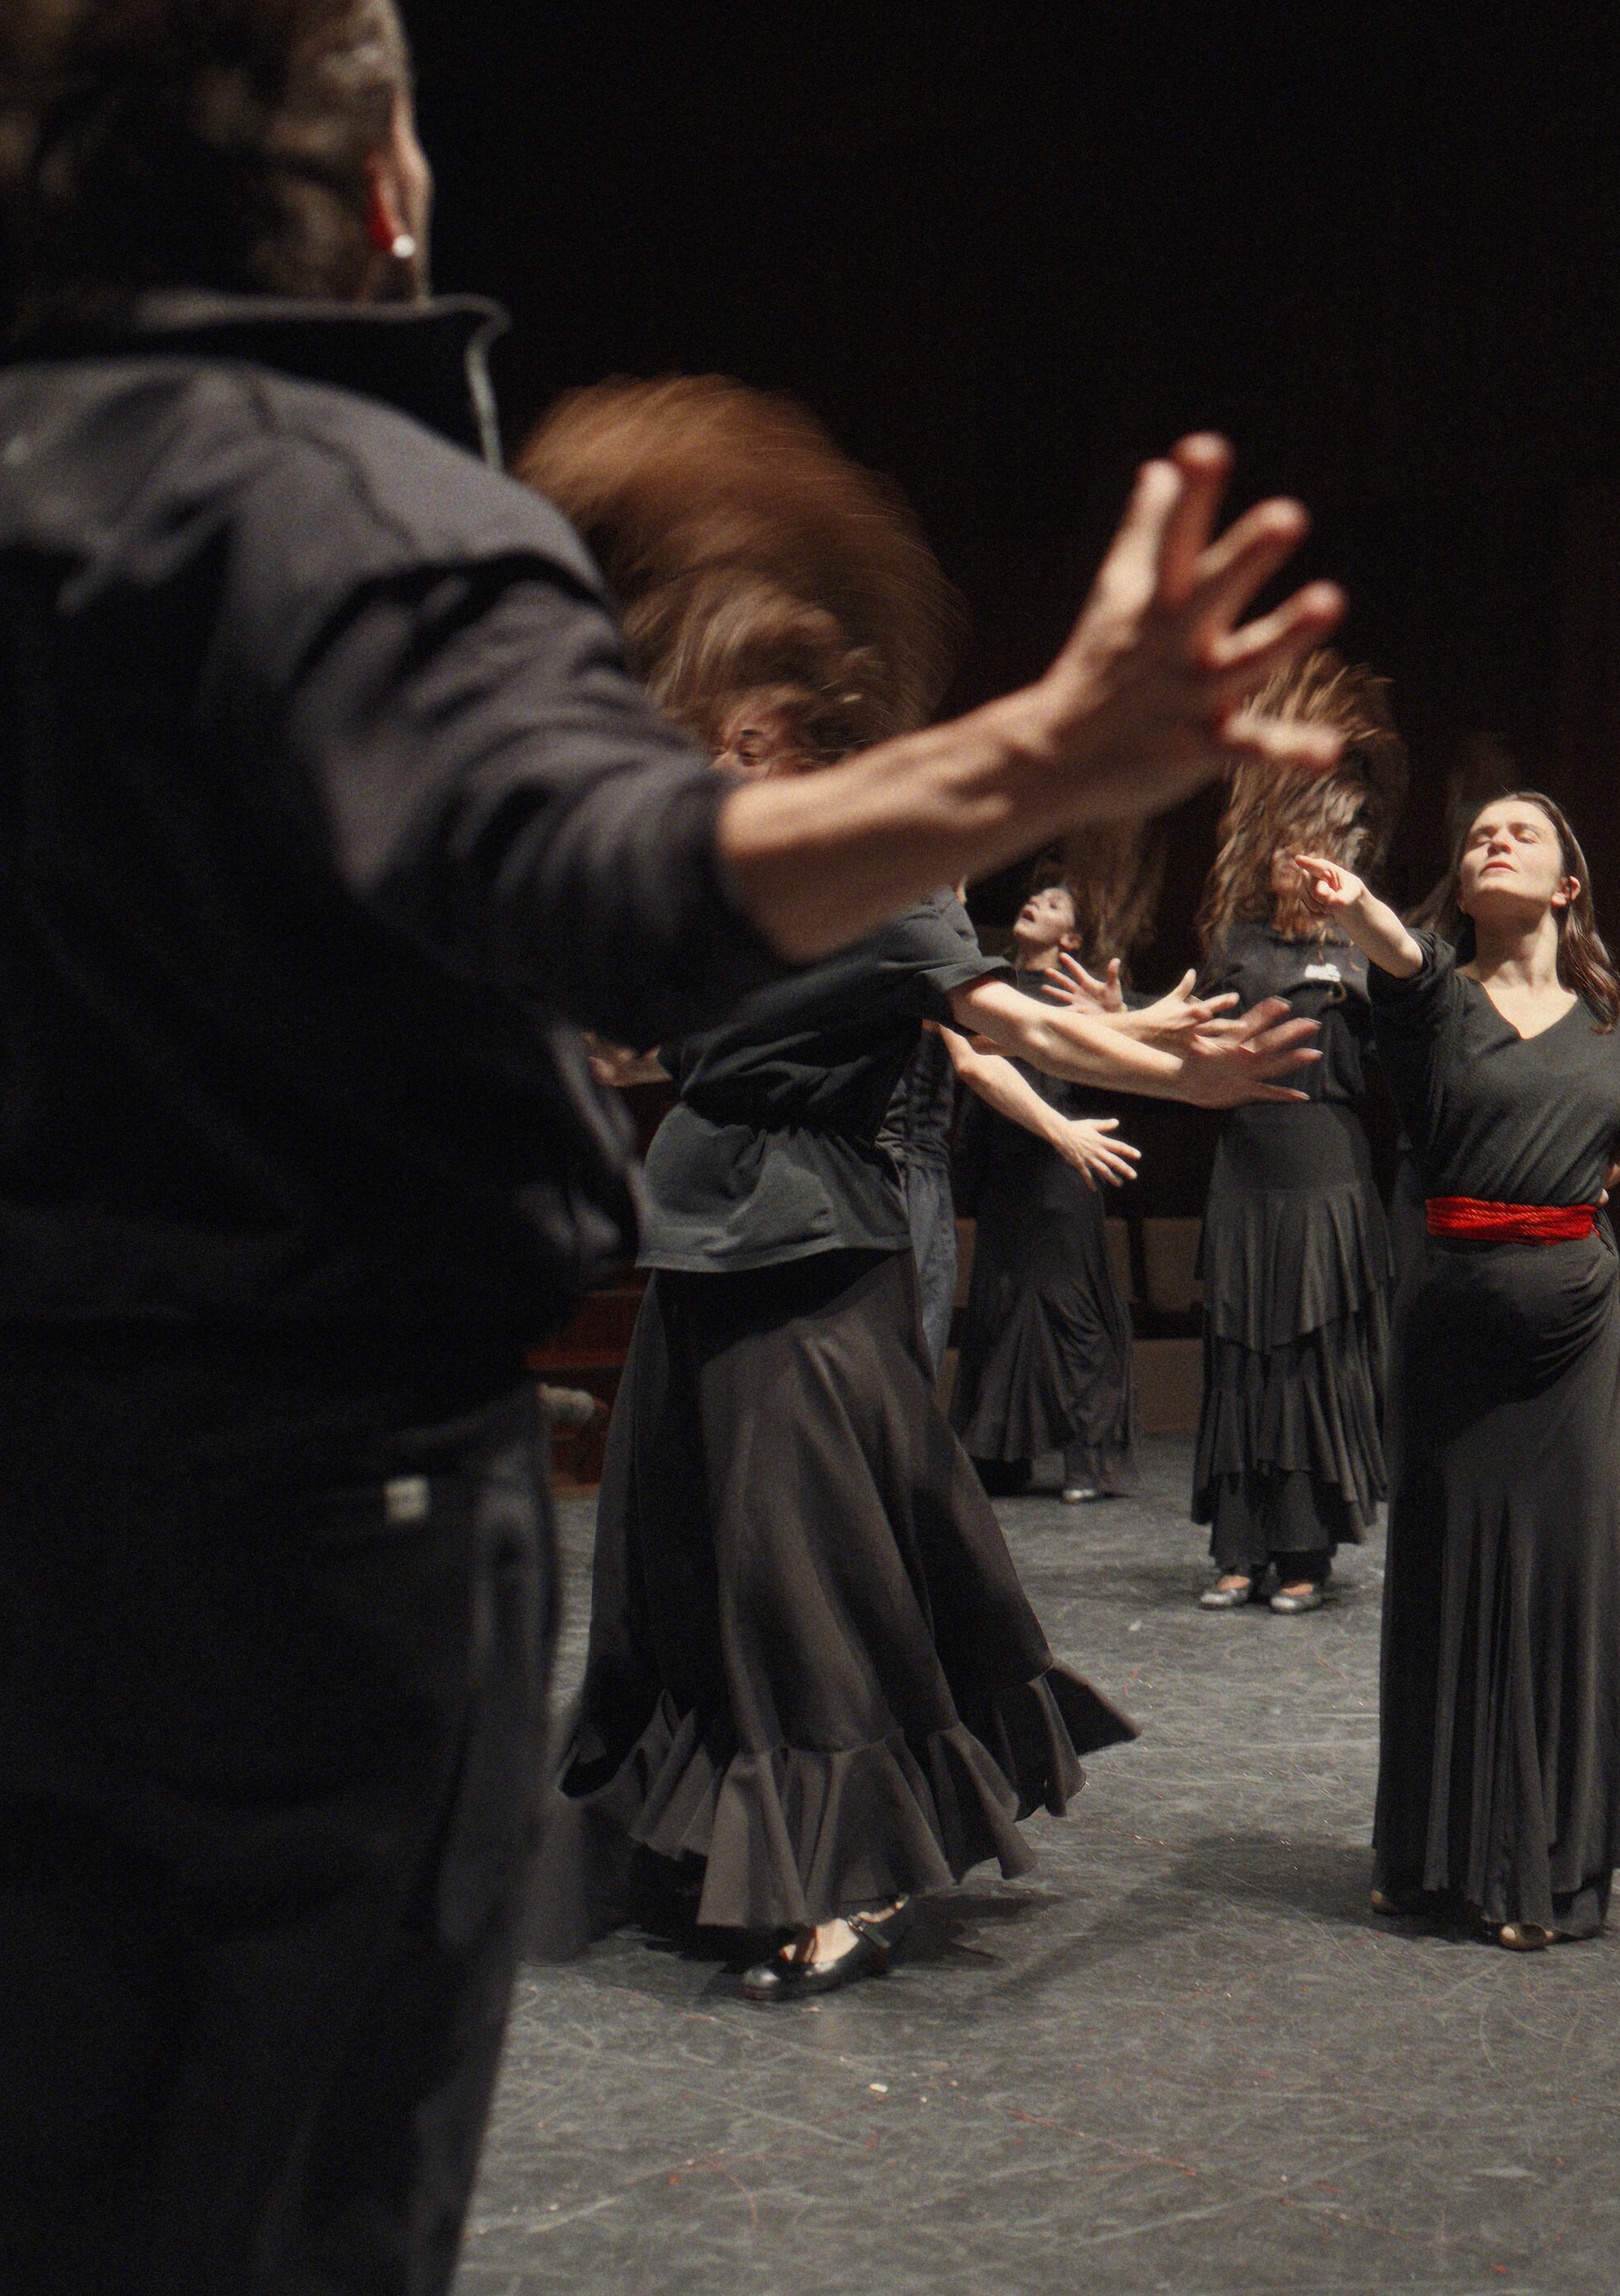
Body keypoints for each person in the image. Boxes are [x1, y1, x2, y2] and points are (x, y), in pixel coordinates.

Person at [0, 2, 1346, 2281]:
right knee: (330, 2217)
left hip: (44, 1502)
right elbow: (614, 869)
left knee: (82, 2225)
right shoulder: (409, 528)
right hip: (350, 1527)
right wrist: (1025, 755)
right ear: (383, 188)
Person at [517, 374, 1324, 2001]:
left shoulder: (885, 870)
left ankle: (842, 1866)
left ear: (800, 716)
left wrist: (1169, 1066)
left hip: (813, 1257)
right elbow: (639, 1035)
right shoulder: (721, 863)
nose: (704, 721)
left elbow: (996, 1018)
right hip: (701, 1239)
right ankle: (692, 1835)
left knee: (789, 1565)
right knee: (674, 1557)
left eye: (731, 702)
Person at [1284, 797, 1620, 1949]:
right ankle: (1436, 1853)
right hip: (1456, 1336)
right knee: (1452, 1573)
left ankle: (1545, 1861)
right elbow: (1399, 957)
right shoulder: (1438, 996)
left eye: (1524, 833)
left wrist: (1572, 1207)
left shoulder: (1617, 1027)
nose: (1493, 838)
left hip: (1576, 1340)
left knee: (1562, 1583)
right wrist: (1358, 912)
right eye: (1479, 831)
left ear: (1567, 886)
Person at [1188, 654, 1406, 1614]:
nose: (1297, 862)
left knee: (1313, 1354)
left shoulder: (1360, 953)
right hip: (1246, 1164)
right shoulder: (1233, 945)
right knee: (1242, 1355)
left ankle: (1306, 1551)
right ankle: (1237, 1547)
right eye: (1285, 845)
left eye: (1315, 848)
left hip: (1325, 1163)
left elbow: (1385, 1062)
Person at [948, 869, 1146, 1503]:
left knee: (1064, 1300)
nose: (1035, 903)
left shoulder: (1073, 991)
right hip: (1002, 1160)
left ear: (1073, 935)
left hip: (1061, 1159)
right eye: (1035, 896)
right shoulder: (990, 980)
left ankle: (1089, 1457)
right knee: (1004, 1297)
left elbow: (1116, 1062)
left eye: (1055, 901)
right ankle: (1002, 1455)